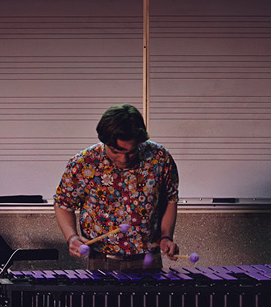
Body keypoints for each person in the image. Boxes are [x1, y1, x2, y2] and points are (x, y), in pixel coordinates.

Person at [54, 104, 179, 270]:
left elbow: (170, 199)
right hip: (102, 259)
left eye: (131, 151)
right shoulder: (84, 163)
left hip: (149, 259)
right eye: (116, 151)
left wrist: (166, 237)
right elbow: (63, 204)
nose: (123, 158)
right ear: (104, 141)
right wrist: (72, 237)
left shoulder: (160, 159)